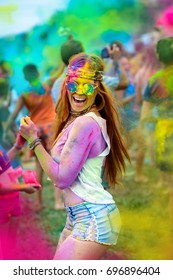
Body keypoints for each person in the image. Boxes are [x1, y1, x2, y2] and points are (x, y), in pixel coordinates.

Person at [19, 53, 130, 260]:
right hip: (79, 217)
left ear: (97, 87)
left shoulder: (85, 123)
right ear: (66, 85)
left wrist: (33, 140)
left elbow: (61, 178)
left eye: (86, 86)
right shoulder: (82, 118)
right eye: (73, 85)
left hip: (92, 218)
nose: (78, 92)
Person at [4, 64, 64, 210]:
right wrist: (64, 61)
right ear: (37, 72)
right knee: (55, 162)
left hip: (35, 131)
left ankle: (38, 203)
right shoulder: (48, 84)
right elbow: (60, 69)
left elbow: (13, 115)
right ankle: (58, 202)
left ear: (25, 77)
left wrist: (6, 129)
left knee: (39, 166)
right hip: (50, 128)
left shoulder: (24, 94)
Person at [140, 37, 173, 227]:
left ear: (159, 57)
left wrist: (161, 116)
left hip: (165, 136)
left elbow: (145, 117)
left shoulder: (154, 81)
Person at [0, 133, 40, 259]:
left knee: (12, 241)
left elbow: (4, 163)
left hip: (13, 198)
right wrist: (23, 187)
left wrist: (17, 146)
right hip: (3, 204)